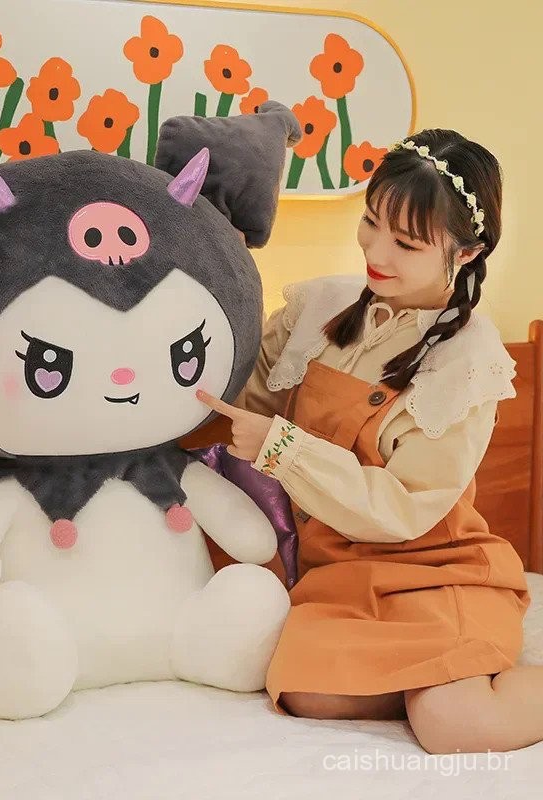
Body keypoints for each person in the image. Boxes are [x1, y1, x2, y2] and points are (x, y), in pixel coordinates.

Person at [197, 129, 543, 755]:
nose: (376, 252)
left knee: (454, 725)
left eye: (406, 243)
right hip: (340, 571)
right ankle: (439, 675)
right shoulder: (318, 307)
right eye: (370, 222)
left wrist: (285, 449)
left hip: (435, 568)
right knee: (306, 693)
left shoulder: (469, 359)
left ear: (466, 253)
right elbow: (246, 408)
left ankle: (452, 679)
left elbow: (406, 506)